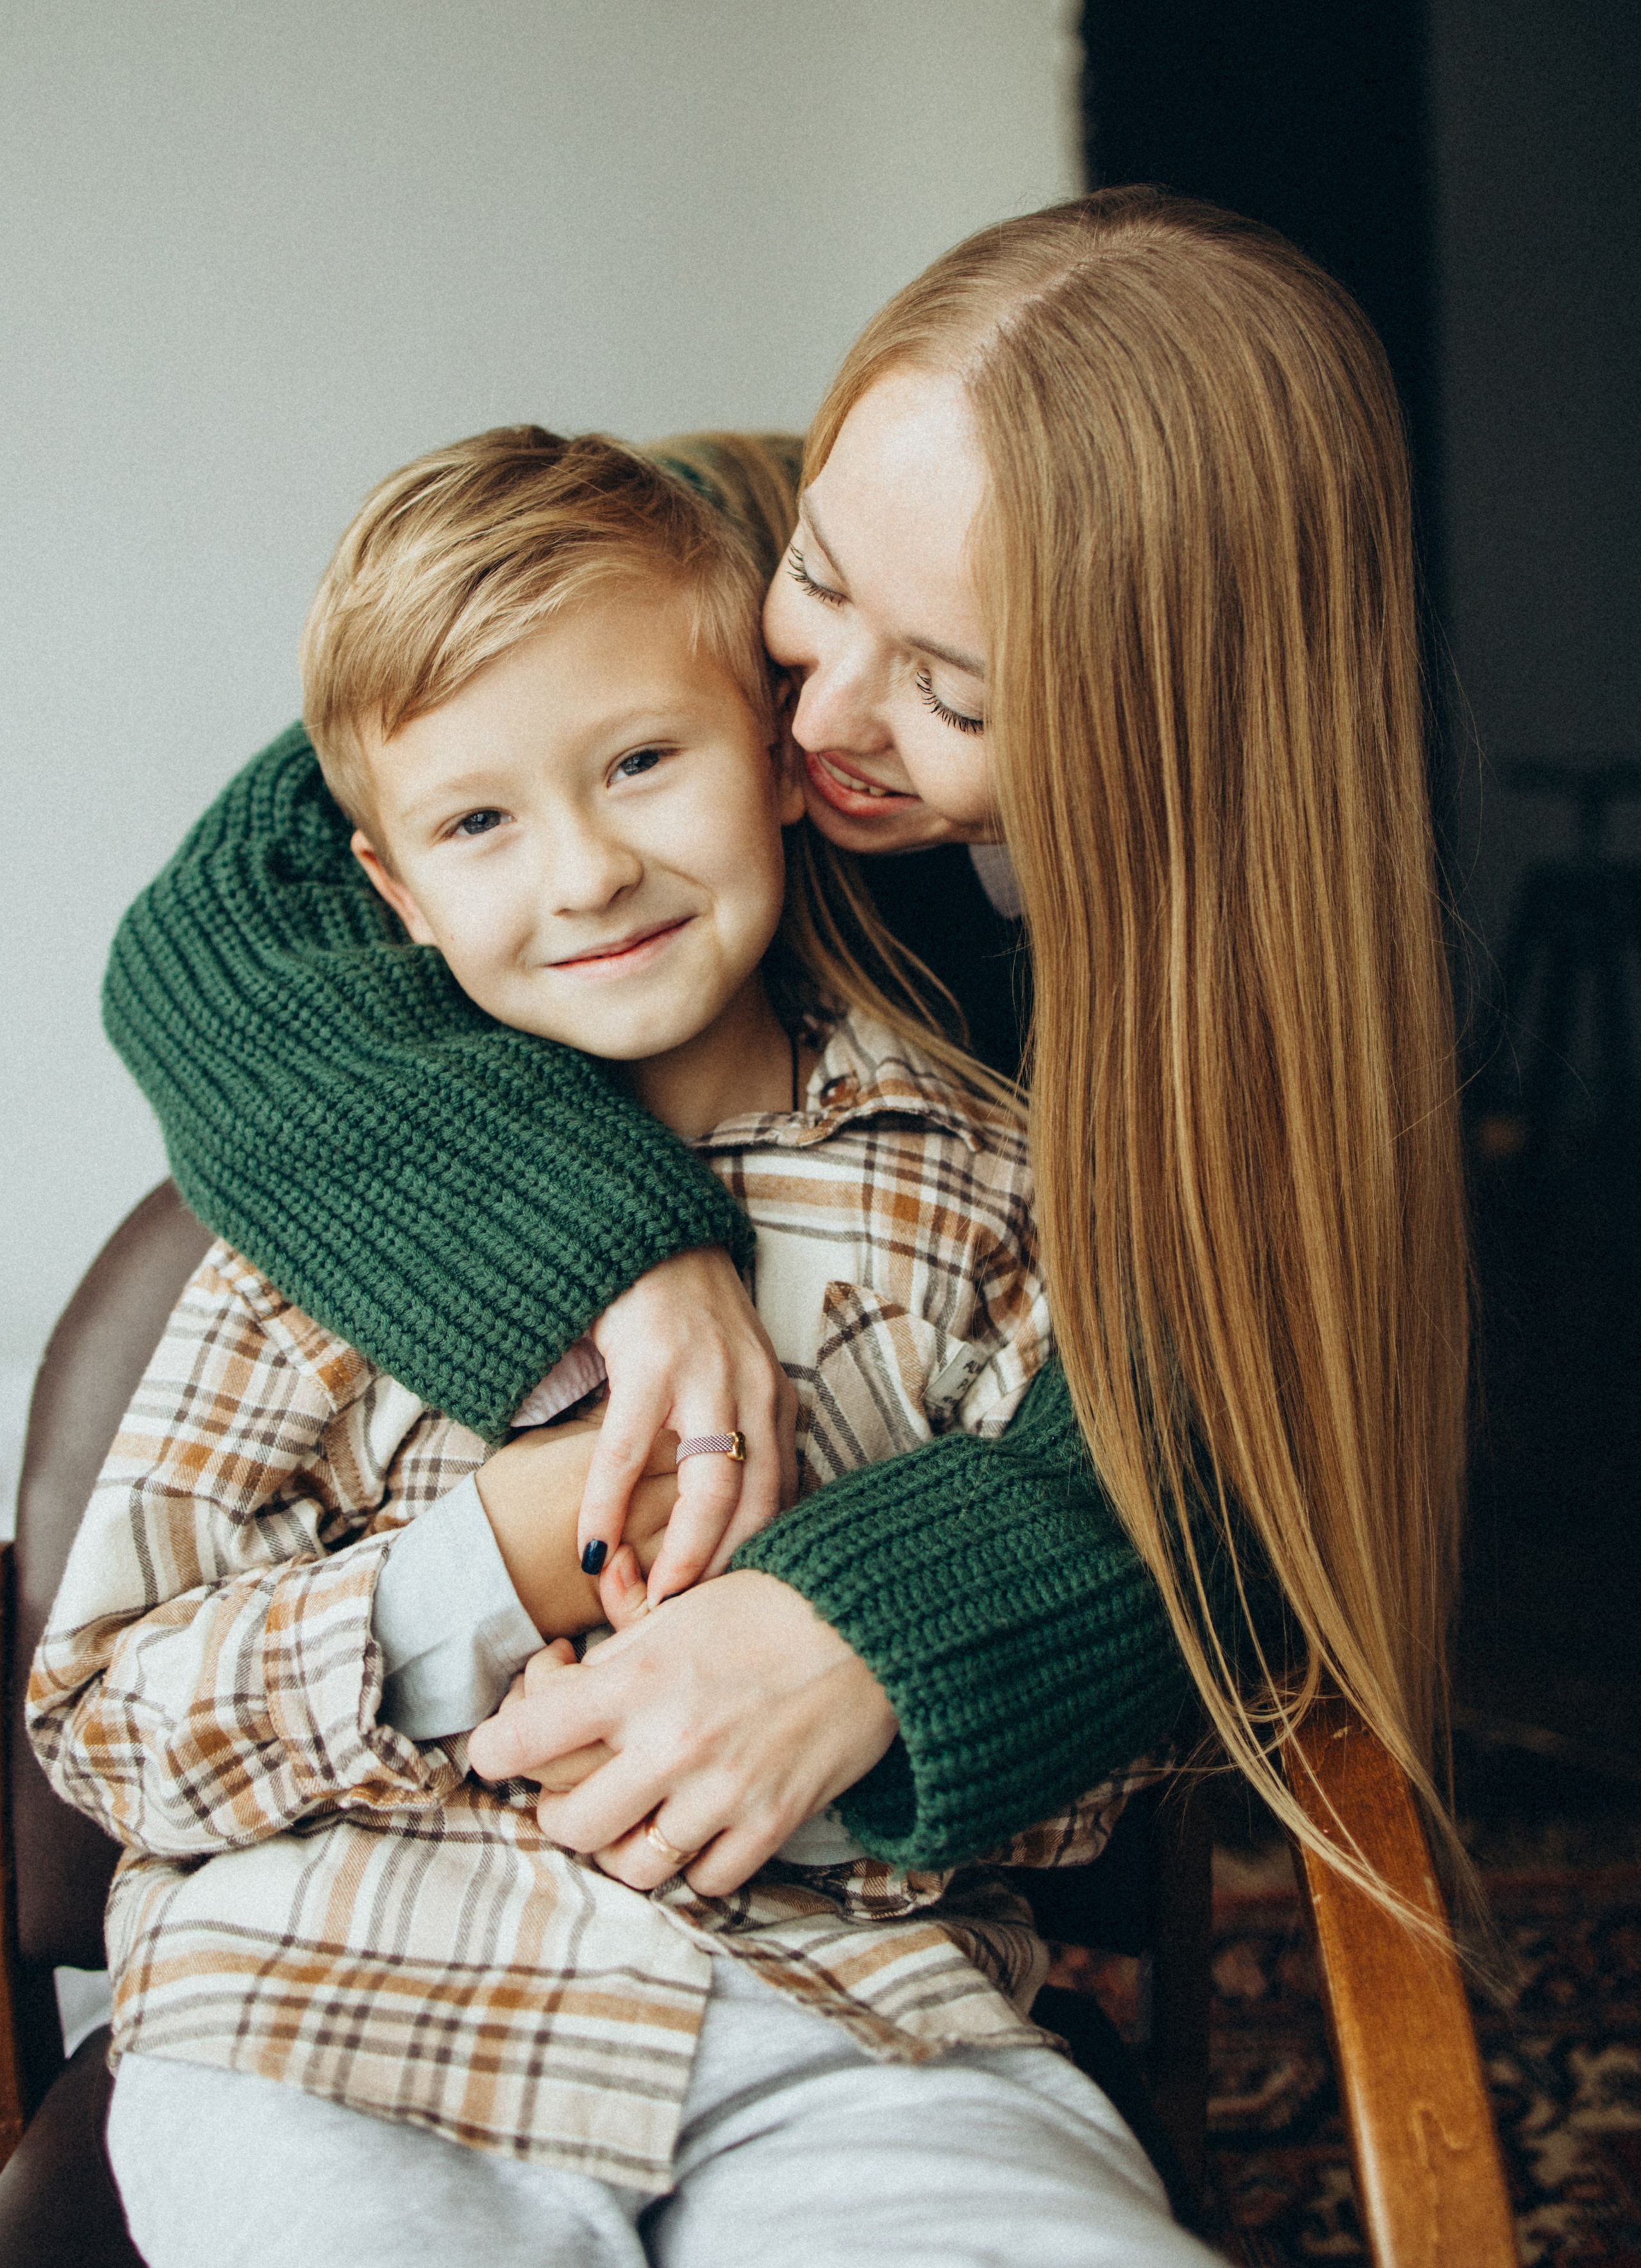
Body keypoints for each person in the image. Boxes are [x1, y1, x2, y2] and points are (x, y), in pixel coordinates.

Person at [100, 187, 1470, 1924]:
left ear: (1176, 728)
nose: (811, 722)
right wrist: (629, 1255)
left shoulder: (1258, 1016)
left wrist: (859, 1631)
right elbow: (229, 926)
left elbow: (1219, 1456)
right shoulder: (709, 542)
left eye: (956, 698)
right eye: (819, 583)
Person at [34, 428, 1213, 2266]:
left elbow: (1143, 1733)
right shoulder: (315, 1226)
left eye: (644, 762)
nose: (584, 872)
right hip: (330, 2008)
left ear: (782, 759)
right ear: (394, 890)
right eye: (483, 820)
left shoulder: (995, 1194)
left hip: (860, 2024)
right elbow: (102, 1715)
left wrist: (880, 1685)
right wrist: (472, 1570)